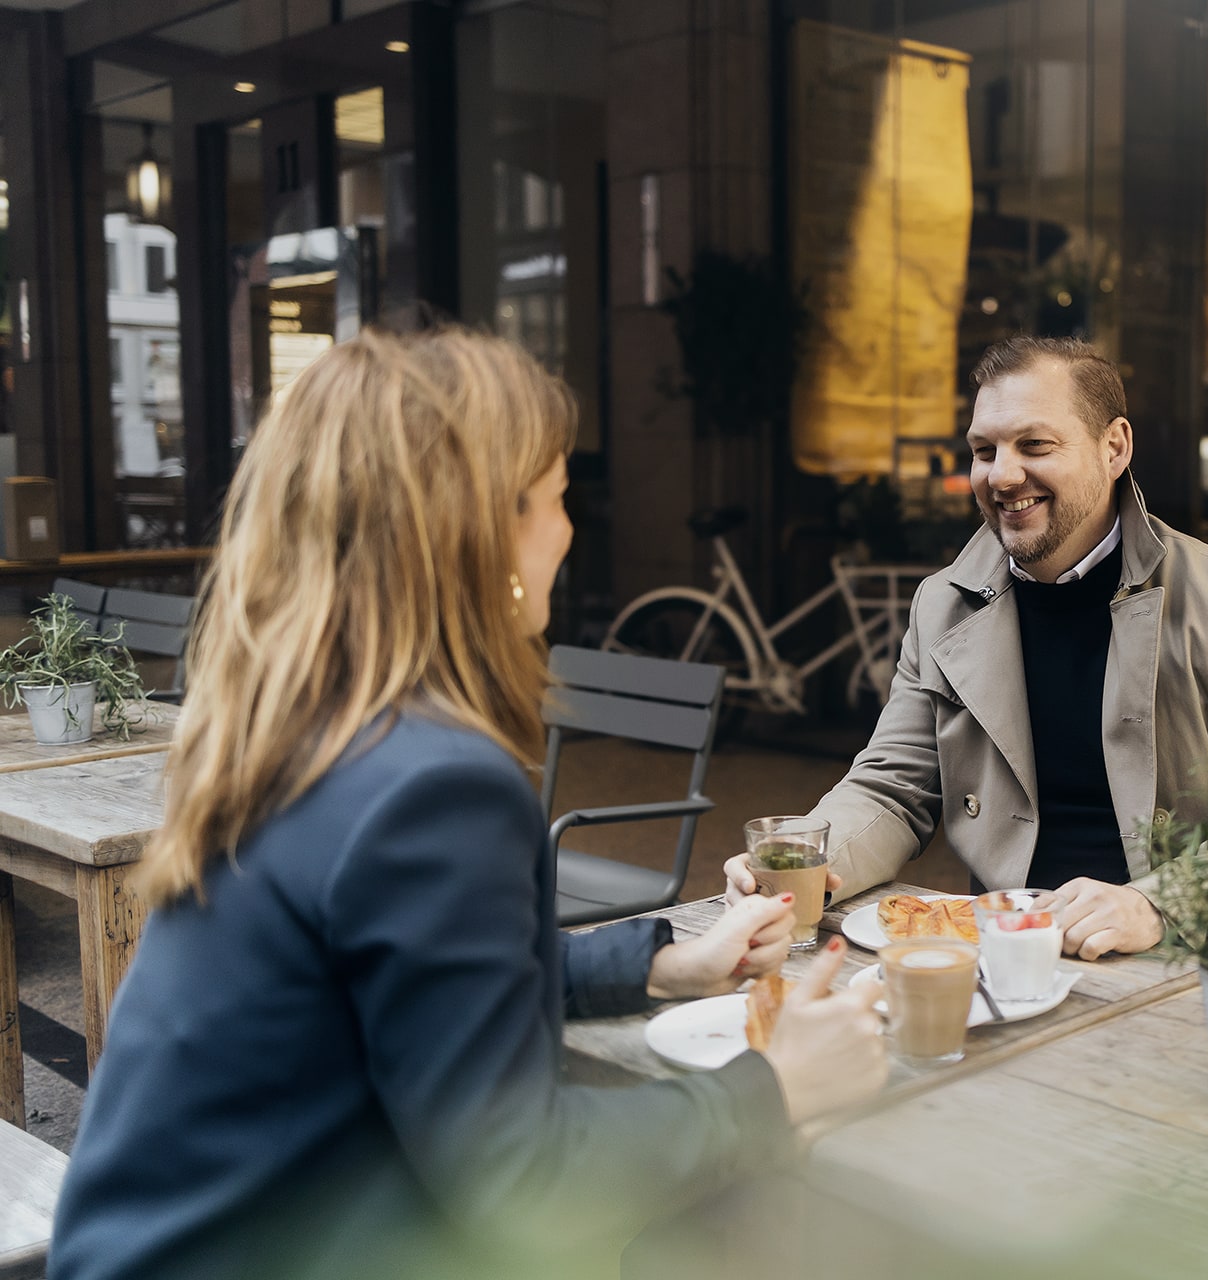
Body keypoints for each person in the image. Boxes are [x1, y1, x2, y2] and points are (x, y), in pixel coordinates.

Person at [51, 327, 886, 1280]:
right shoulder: (435, 784)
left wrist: (661, 962)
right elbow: (521, 1176)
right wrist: (772, 1090)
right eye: (560, 500)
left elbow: (415, 990)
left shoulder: (307, 721)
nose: (571, 531)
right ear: (485, 526)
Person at [727, 336, 1208, 959]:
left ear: (1115, 448)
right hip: (1017, 963)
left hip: (1204, 965)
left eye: (1035, 445)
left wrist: (1160, 902)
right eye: (983, 450)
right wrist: (801, 866)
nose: (1001, 474)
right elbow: (894, 789)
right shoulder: (943, 604)